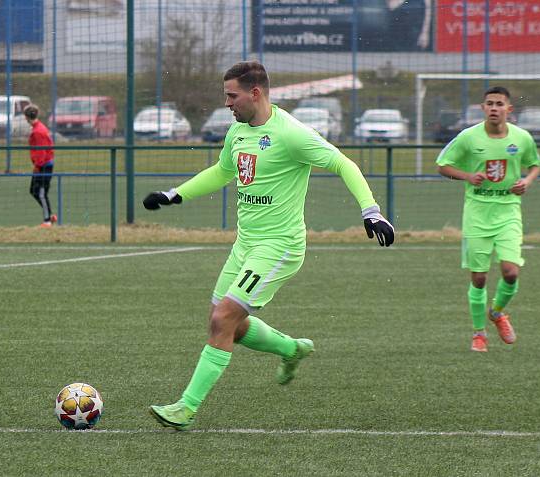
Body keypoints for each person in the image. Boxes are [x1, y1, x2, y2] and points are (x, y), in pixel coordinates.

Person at [142, 61, 394, 430]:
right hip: (245, 245)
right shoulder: (238, 132)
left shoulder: (291, 133)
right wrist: (175, 195)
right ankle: (292, 350)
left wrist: (371, 211)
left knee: (222, 318)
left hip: (280, 246)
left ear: (255, 93)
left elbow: (344, 164)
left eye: (232, 95)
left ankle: (185, 408)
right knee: (231, 326)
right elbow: (224, 171)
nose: (227, 103)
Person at [436, 86, 540, 352]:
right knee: (479, 278)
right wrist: (468, 176)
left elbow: (535, 164)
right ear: (483, 108)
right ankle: (479, 332)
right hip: (477, 214)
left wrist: (527, 181)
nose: (494, 108)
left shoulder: (522, 138)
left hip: (508, 212)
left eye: (499, 104)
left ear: (509, 109)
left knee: (511, 271)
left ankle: (496, 313)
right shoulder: (468, 138)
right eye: (490, 103)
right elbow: (443, 165)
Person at [23, 104, 57, 227]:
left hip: (44, 165)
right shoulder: (38, 128)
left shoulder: (38, 131)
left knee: (41, 192)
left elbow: (41, 152)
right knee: (34, 190)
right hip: (42, 164)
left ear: (27, 117)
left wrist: (38, 166)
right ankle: (50, 215)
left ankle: (47, 221)